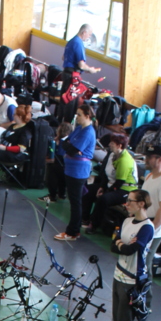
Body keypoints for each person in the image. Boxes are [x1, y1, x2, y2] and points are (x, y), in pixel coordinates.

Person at [99, 189, 155, 321]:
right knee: (116, 317)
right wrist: (122, 245)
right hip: (118, 275)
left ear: (141, 204)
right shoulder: (126, 221)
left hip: (131, 280)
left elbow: (131, 250)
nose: (127, 204)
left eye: (131, 201)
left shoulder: (147, 227)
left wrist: (122, 245)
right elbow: (114, 245)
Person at [54, 103, 96, 242]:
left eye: (79, 115)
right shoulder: (79, 128)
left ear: (87, 116)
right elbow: (66, 142)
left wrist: (69, 146)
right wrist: (68, 145)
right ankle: (74, 230)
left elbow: (71, 149)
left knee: (75, 202)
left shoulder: (88, 132)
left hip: (78, 171)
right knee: (73, 200)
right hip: (71, 168)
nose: (76, 117)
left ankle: (72, 232)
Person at [81, 133, 137, 233]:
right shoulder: (112, 155)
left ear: (119, 145)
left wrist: (106, 191)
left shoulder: (125, 160)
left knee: (104, 199)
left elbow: (119, 182)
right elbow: (106, 174)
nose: (109, 144)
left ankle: (94, 224)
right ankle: (85, 218)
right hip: (112, 184)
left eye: (112, 143)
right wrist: (102, 187)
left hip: (125, 189)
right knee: (88, 191)